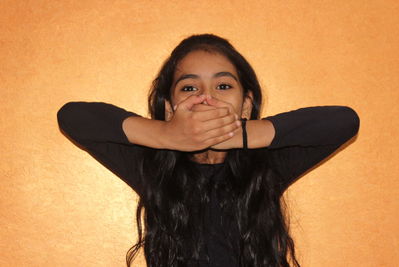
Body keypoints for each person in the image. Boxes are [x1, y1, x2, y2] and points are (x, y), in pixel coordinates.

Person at [57, 34, 360, 267]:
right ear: (168, 107)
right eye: (189, 88)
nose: (206, 98)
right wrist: (166, 134)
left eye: (223, 86)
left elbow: (343, 122)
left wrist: (239, 134)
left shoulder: (266, 168)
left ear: (245, 104)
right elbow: (73, 117)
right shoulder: (152, 167)